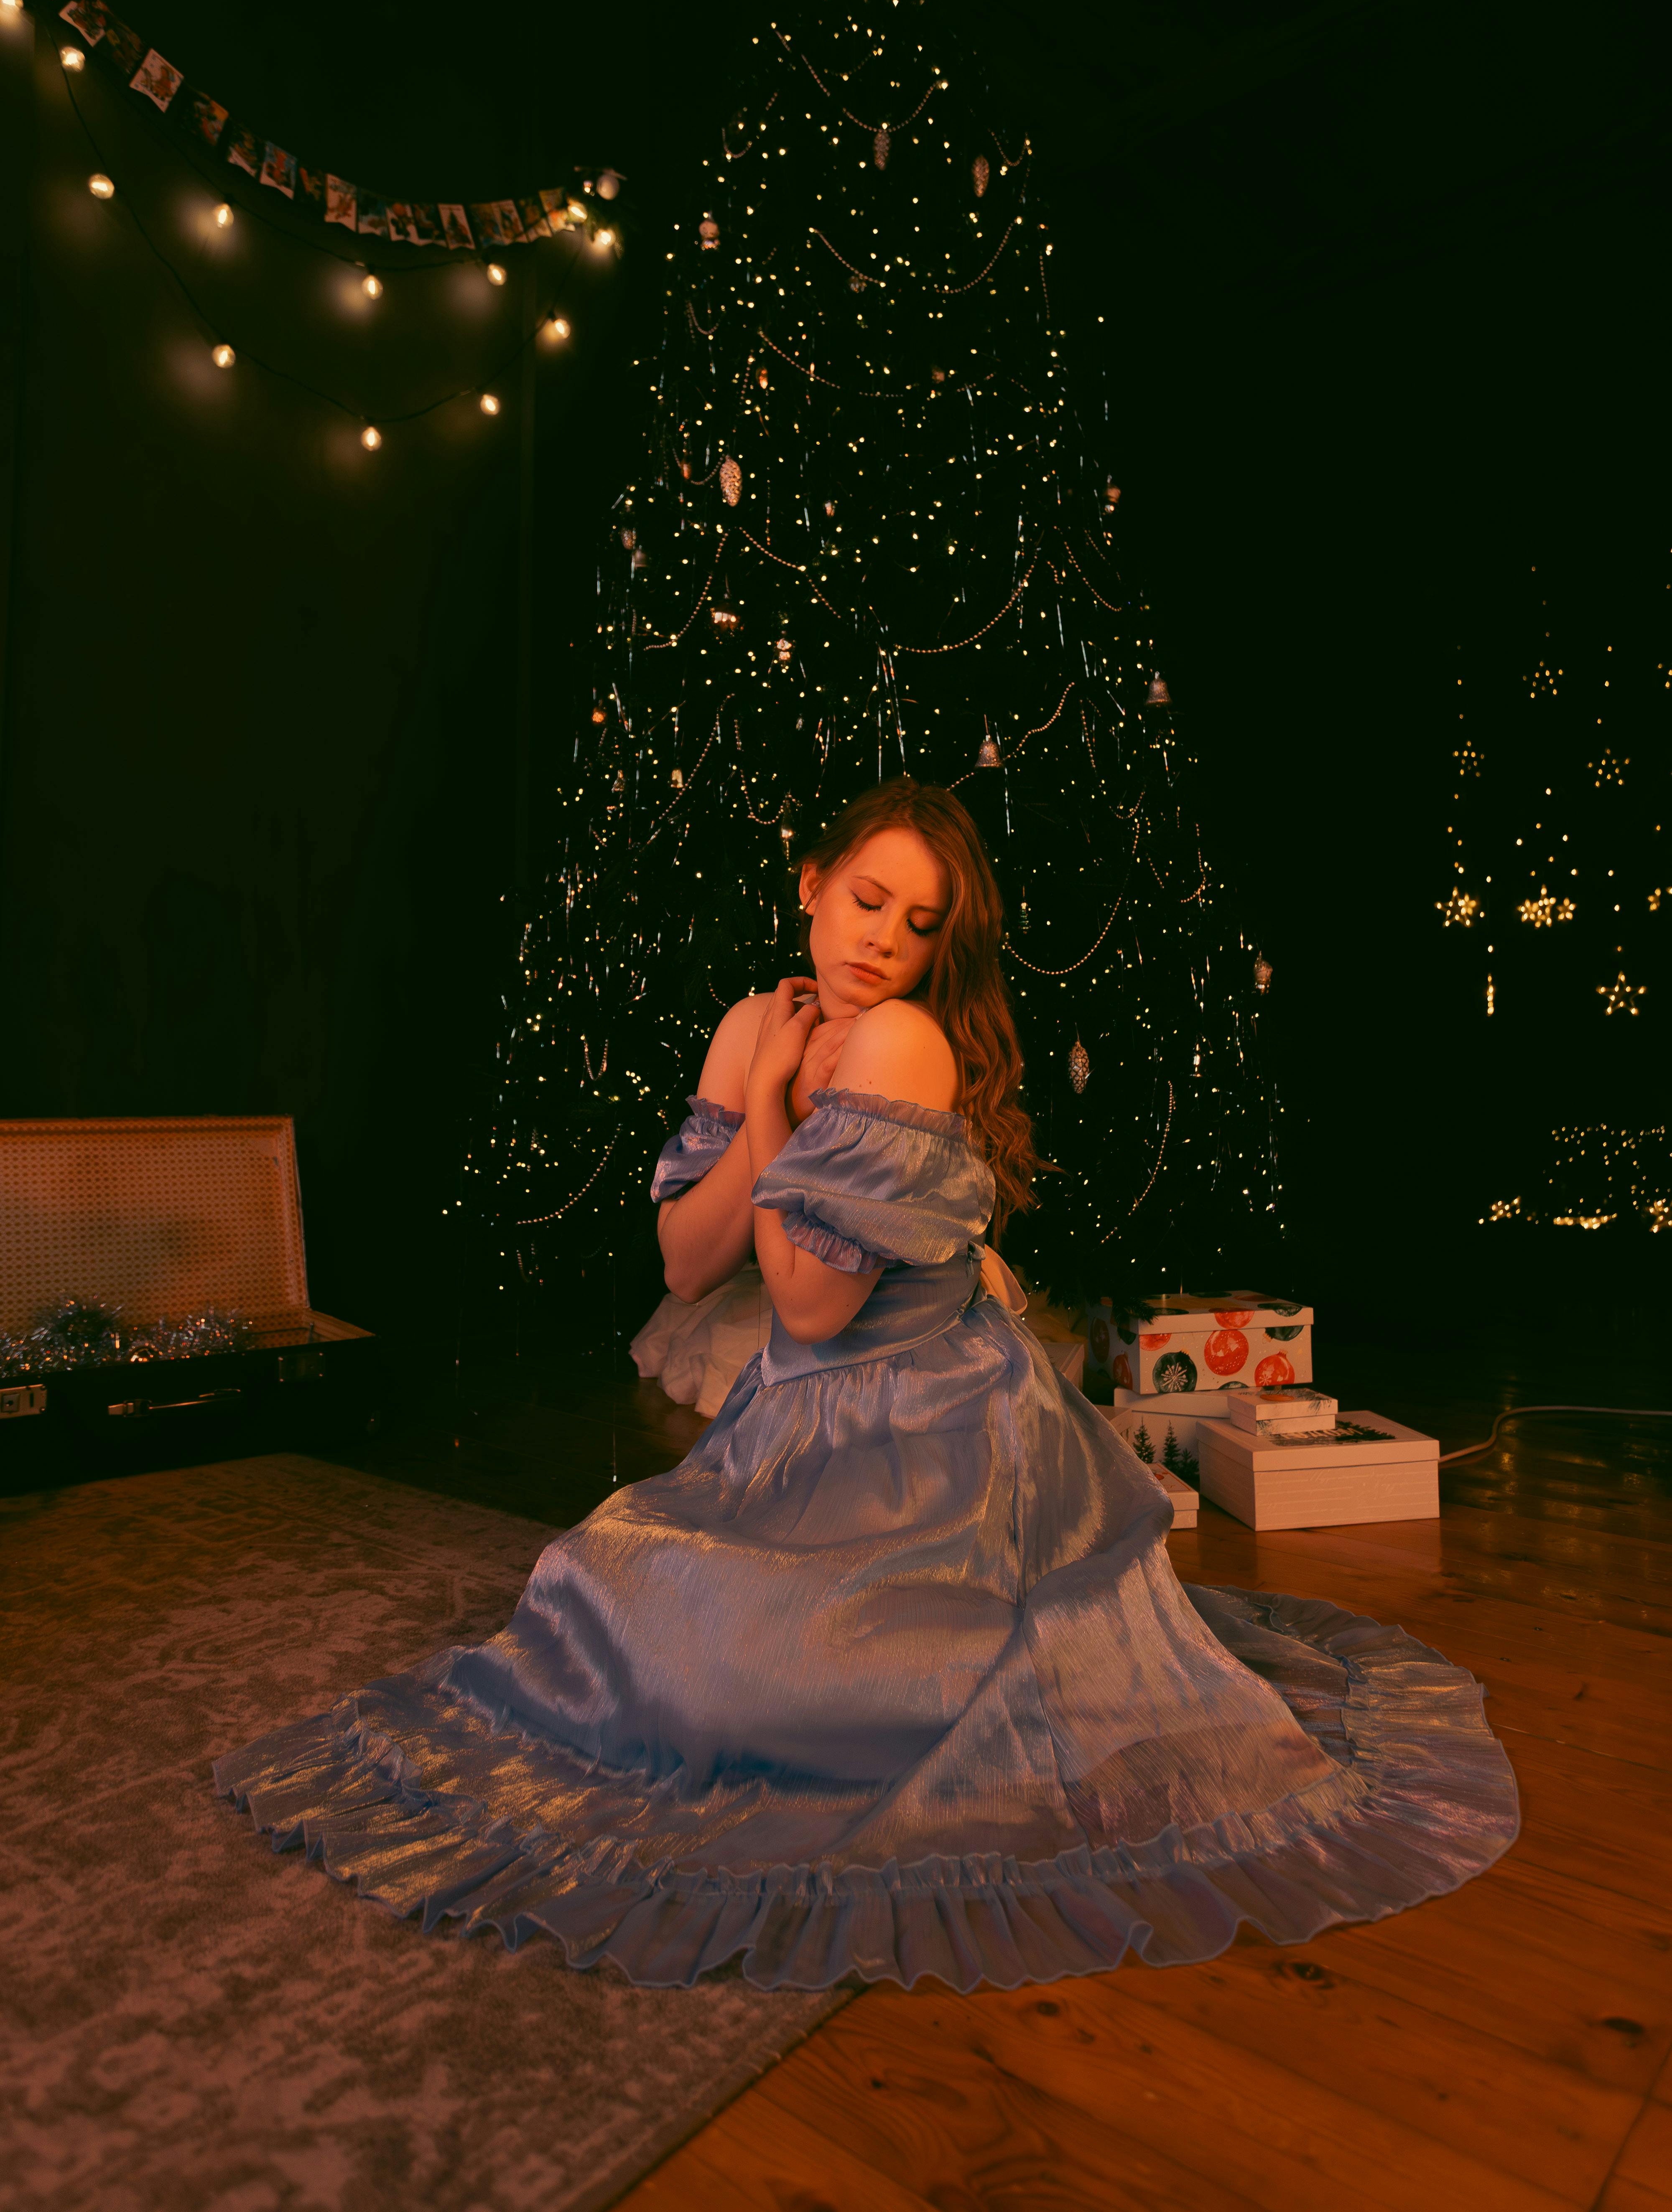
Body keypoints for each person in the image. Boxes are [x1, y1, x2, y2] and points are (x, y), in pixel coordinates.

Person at [218, 780, 1517, 1992]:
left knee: (770, 1677)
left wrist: (776, 1103)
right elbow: (684, 1260)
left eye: (920, 921)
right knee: (601, 1582)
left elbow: (809, 1299)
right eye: (866, 900)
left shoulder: (896, 1043)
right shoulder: (759, 1022)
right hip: (798, 1423)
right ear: (809, 884)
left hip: (934, 1440)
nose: (885, 939)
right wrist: (765, 1073)